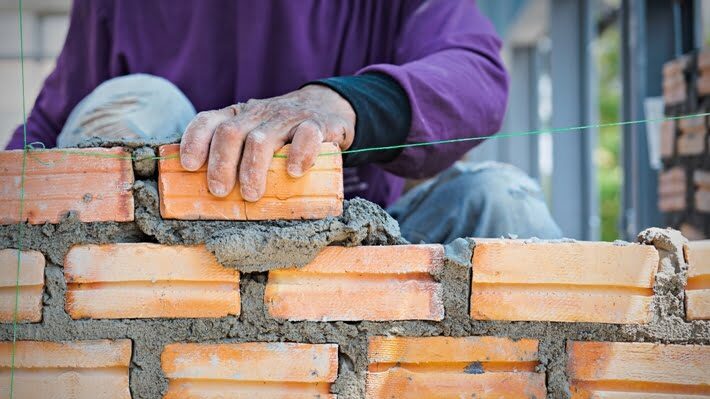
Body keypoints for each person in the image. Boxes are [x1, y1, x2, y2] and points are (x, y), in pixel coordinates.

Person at [7, 0, 562, 243]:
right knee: (144, 102)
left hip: (349, 279)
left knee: (502, 199)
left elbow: (474, 74)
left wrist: (340, 106)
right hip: (153, 282)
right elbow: (43, 136)